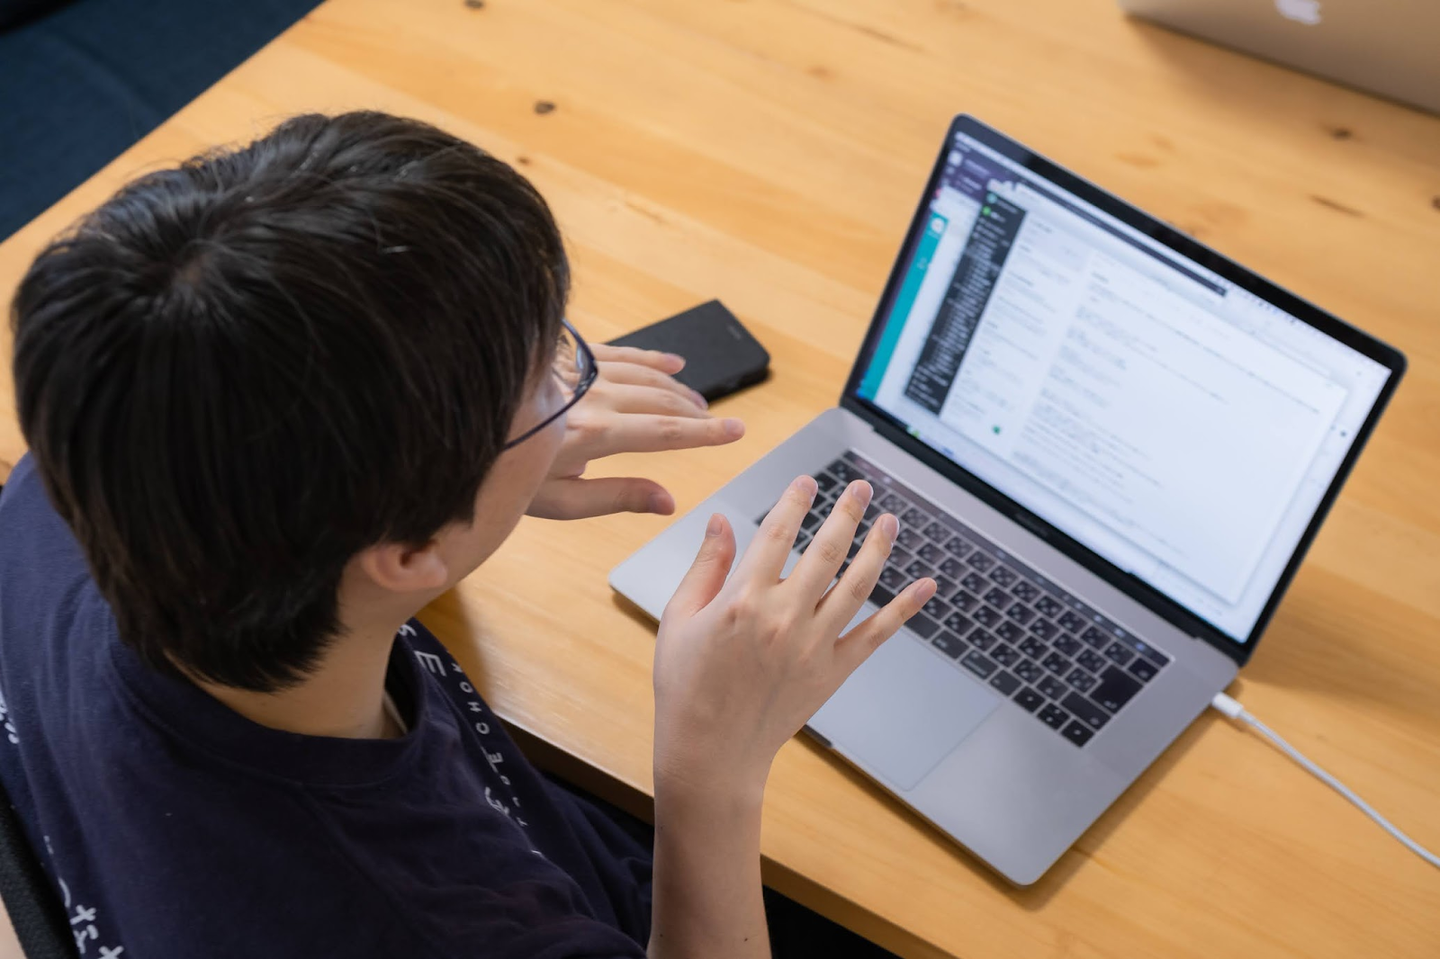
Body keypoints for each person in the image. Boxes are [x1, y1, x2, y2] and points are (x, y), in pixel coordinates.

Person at [0, 111, 935, 958]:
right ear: (407, 553)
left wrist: (467, 478)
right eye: (545, 382)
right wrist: (712, 770)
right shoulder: (434, 922)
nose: (570, 395)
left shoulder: (92, 454)